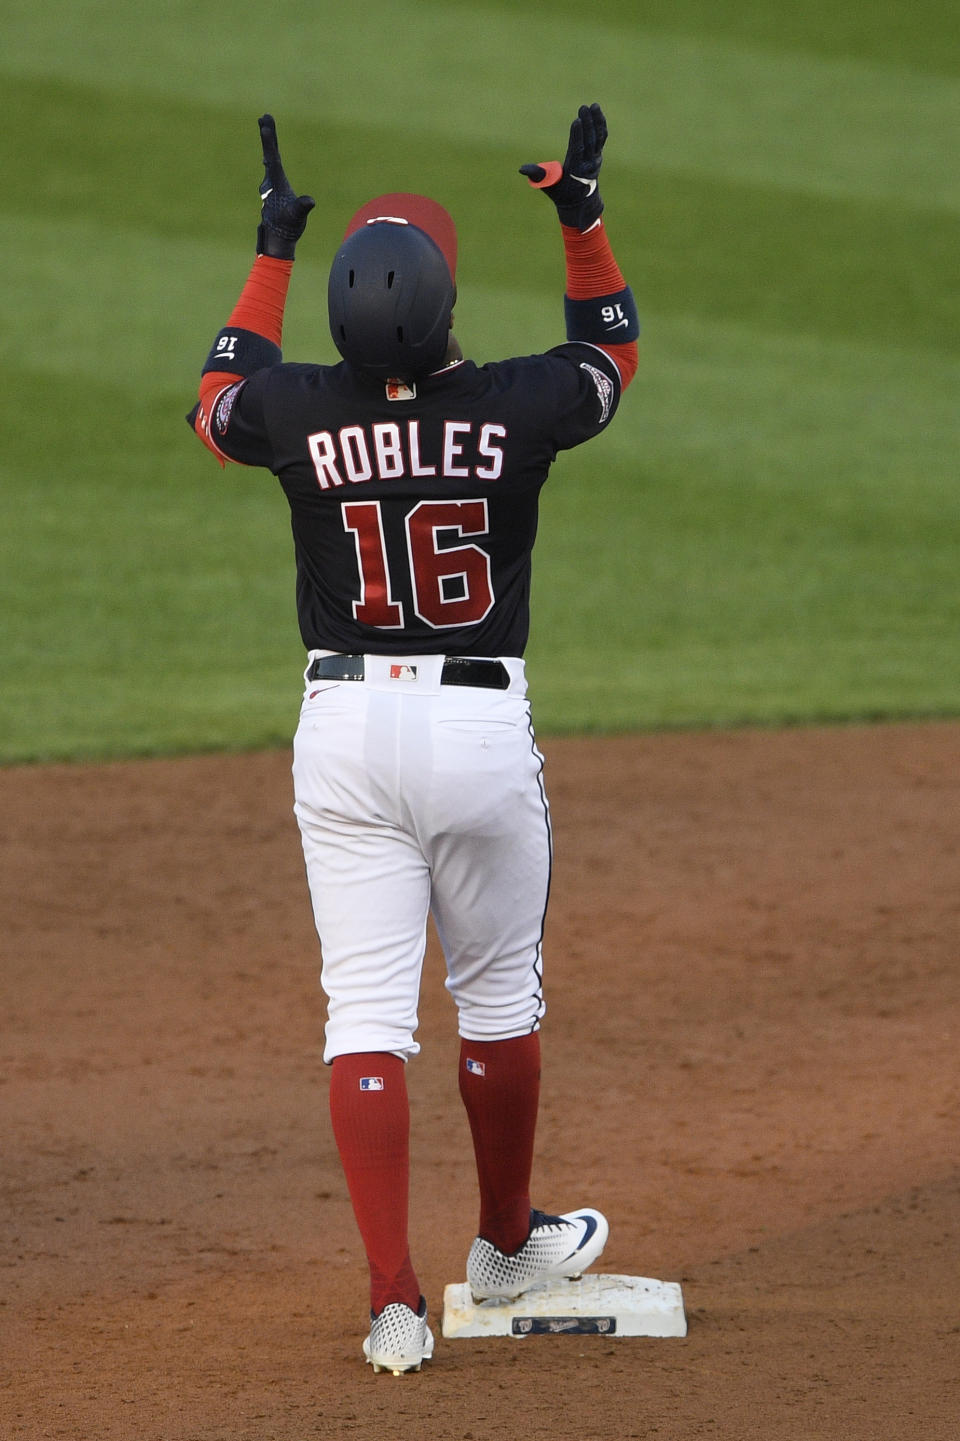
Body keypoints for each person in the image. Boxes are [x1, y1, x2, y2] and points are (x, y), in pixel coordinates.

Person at [188, 103, 639, 1375]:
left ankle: (394, 1299)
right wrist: (581, 214)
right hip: (479, 726)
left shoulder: (295, 413)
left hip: (341, 729)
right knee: (497, 999)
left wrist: (270, 245)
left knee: (365, 1016)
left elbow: (217, 392)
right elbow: (612, 349)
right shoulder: (518, 404)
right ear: (445, 312)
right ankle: (502, 1243)